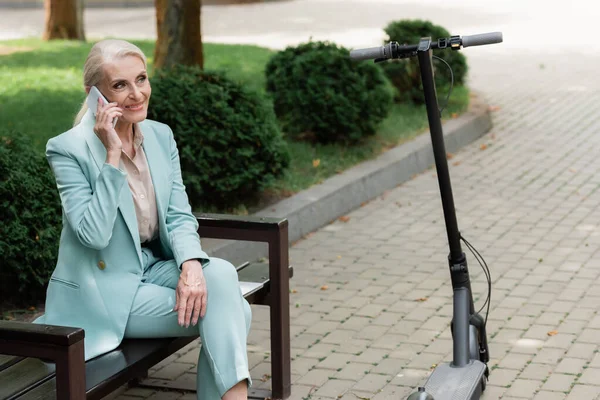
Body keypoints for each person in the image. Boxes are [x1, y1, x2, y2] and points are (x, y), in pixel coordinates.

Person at [34, 39, 252, 400]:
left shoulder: (160, 135)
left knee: (221, 274)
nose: (137, 94)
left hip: (154, 266)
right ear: (95, 96)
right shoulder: (68, 148)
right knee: (234, 311)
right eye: (120, 85)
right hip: (105, 291)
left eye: (142, 79)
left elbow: (179, 214)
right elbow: (92, 235)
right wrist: (112, 157)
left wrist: (191, 266)